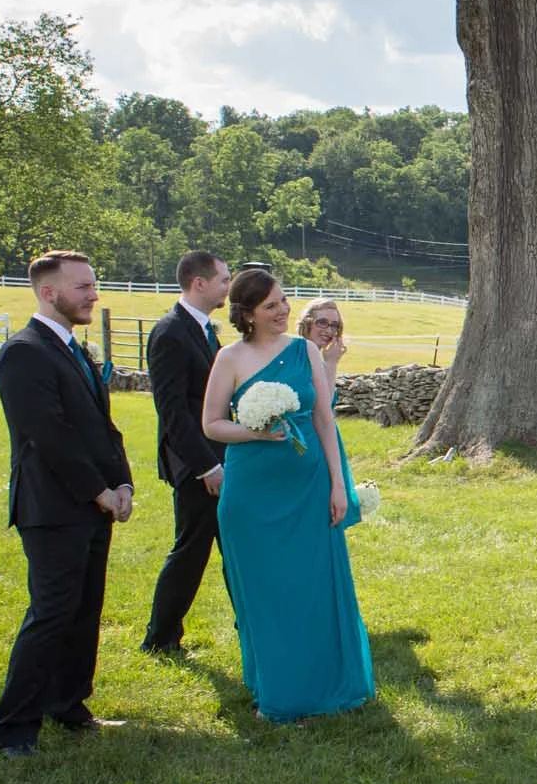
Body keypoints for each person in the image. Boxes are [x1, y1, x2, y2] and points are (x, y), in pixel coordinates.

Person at [199, 268, 373, 723]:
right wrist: (254, 431)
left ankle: (326, 687)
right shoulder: (230, 358)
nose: (283, 311)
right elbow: (212, 424)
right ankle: (276, 691)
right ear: (247, 314)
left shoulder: (304, 351)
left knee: (313, 586)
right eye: (271, 305)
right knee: (266, 592)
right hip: (251, 492)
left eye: (283, 301)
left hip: (308, 484)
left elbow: (323, 419)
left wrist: (338, 484)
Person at [0, 251, 133, 757]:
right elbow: (49, 435)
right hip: (51, 508)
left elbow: (101, 428)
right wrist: (98, 491)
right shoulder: (24, 352)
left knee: (84, 610)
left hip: (94, 505)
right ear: (49, 293)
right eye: (83, 287)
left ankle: (68, 704)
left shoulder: (74, 349)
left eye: (93, 285)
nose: (94, 294)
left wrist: (123, 483)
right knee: (51, 614)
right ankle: (12, 728)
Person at [141, 251, 231, 655]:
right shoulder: (171, 333)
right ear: (199, 283)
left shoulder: (205, 330)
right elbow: (173, 411)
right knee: (191, 550)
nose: (228, 287)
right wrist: (205, 466)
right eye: (223, 280)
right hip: (197, 465)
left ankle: (253, 625)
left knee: (234, 546)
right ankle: (160, 637)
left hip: (221, 457)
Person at [298, 297, 348, 383]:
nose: (329, 331)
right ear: (307, 323)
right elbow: (326, 392)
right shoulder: (296, 357)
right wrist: (331, 363)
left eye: (334, 325)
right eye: (322, 323)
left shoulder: (319, 360)